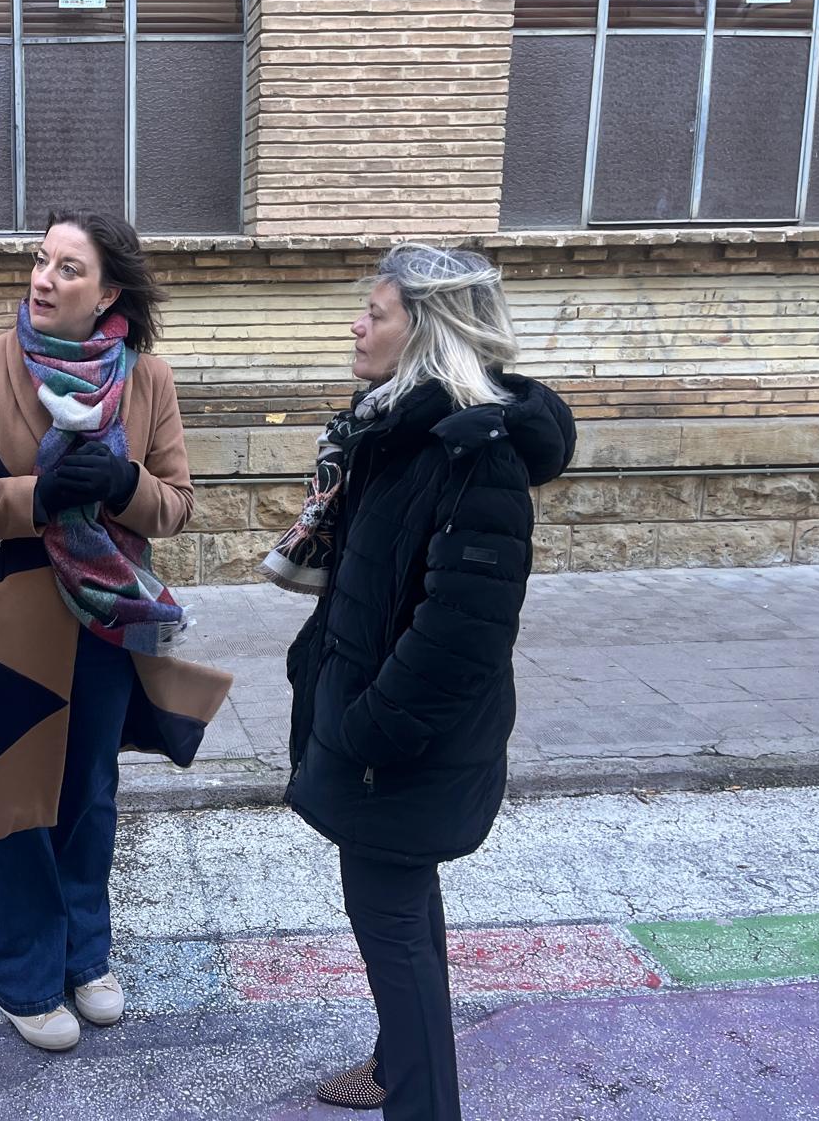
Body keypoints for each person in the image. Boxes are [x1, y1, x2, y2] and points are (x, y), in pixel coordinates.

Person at [271, 244, 575, 1119]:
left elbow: (462, 635)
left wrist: (368, 729)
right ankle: (393, 1062)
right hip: (376, 726)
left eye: (377, 312)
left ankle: (420, 1095)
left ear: (426, 331)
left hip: (402, 741)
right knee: (399, 907)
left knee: (392, 922)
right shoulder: (390, 431)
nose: (357, 325)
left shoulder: (473, 457)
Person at [0, 210, 233, 1052]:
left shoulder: (148, 379)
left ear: (108, 295)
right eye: (40, 260)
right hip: (13, 621)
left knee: (88, 796)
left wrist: (123, 480)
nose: (42, 279)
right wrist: (38, 497)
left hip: (106, 623)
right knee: (17, 800)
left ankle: (85, 956)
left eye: (67, 268)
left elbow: (175, 505)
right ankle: (23, 974)